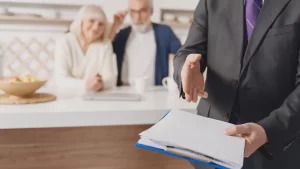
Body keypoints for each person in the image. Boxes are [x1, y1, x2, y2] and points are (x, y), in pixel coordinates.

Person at [173, 0, 300, 169]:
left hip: (273, 149)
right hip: (211, 145)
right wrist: (185, 69)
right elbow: (188, 51)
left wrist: (269, 130)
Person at [110, 0, 181, 86]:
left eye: (142, 11)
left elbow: (181, 54)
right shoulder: (122, 34)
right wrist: (114, 27)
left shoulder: (164, 32)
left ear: (151, 11)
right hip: (124, 89)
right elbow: (106, 51)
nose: (137, 17)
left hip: (155, 91)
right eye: (133, 11)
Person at [55, 5, 117, 92]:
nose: (96, 27)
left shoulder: (105, 46)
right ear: (81, 22)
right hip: (65, 96)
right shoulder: (64, 41)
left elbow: (110, 79)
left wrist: (101, 84)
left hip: (93, 98)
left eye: (101, 24)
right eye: (91, 21)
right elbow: (61, 80)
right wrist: (85, 84)